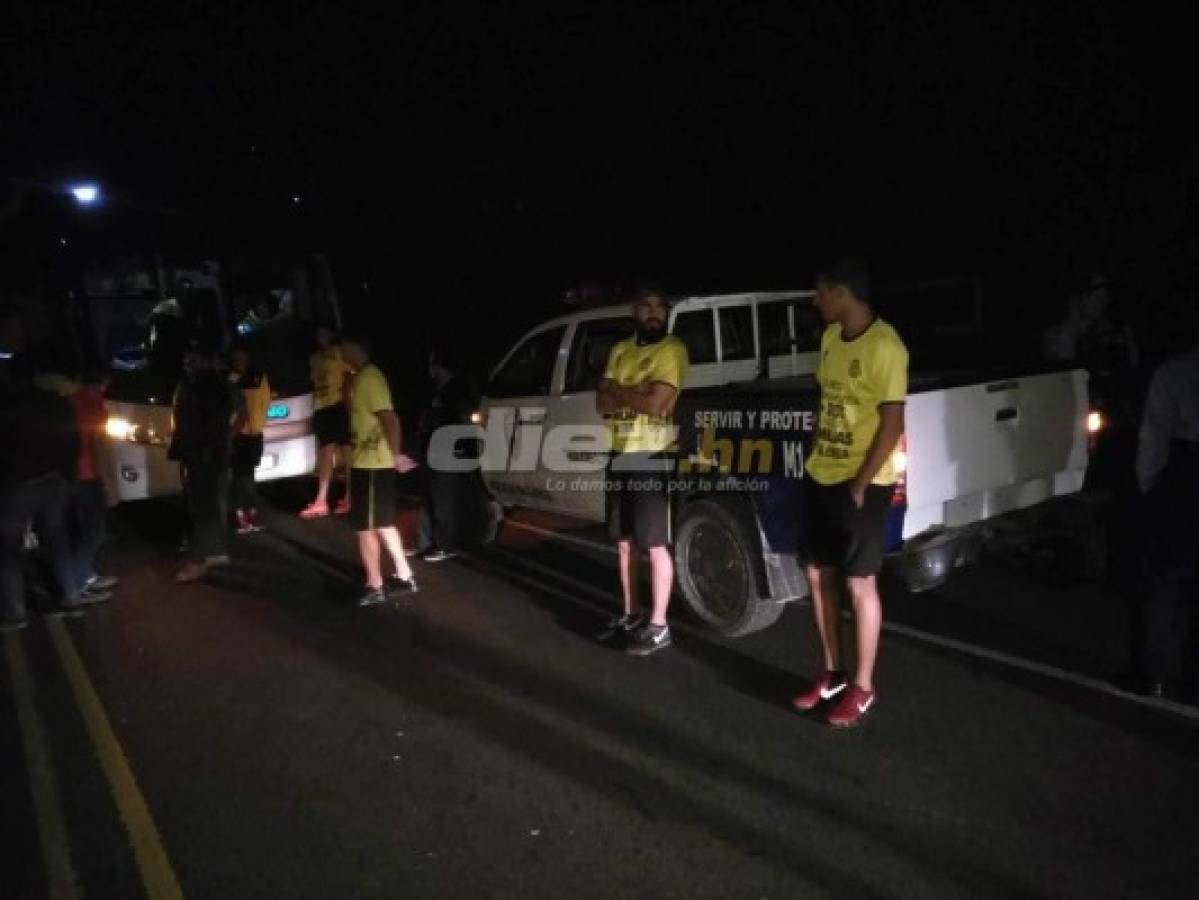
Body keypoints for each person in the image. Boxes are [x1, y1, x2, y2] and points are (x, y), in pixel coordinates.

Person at [791, 259, 908, 727]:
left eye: (821, 294)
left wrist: (860, 483)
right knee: (818, 574)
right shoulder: (829, 339)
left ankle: (863, 687)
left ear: (841, 293)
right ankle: (833, 673)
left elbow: (892, 424)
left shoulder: (886, 346)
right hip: (822, 472)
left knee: (860, 582)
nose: (816, 303)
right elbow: (828, 403)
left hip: (865, 481)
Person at [595, 288, 689, 655]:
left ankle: (659, 624)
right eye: (646, 307)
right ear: (635, 311)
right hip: (619, 452)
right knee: (622, 542)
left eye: (659, 308)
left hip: (653, 455)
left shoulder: (672, 350)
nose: (653, 313)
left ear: (666, 313)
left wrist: (619, 389)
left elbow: (655, 405)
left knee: (654, 544)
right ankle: (630, 613)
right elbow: (601, 404)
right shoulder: (620, 349)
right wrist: (630, 392)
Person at [0, 354, 102, 630]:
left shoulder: (7, 406)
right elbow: (72, 443)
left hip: (18, 486)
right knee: (57, 541)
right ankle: (70, 598)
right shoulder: (55, 403)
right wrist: (66, 477)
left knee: (8, 548)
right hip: (53, 482)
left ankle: (16, 612)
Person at [1131, 338, 1199, 698]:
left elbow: (1153, 435)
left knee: (1165, 580)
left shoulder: (1174, 372)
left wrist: (1150, 484)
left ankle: (1153, 674)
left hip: (1185, 472)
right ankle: (1190, 680)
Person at [341, 333, 419, 606]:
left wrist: (395, 455)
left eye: (342, 349)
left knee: (365, 528)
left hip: (373, 464)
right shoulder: (361, 377)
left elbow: (390, 419)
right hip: (369, 462)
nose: (340, 355)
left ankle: (375, 584)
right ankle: (405, 575)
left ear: (355, 347)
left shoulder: (370, 379)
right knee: (383, 524)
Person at [169, 342, 236, 583]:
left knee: (202, 508)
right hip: (199, 454)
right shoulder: (196, 385)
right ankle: (214, 552)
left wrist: (200, 451)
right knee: (204, 506)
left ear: (207, 361)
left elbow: (214, 425)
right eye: (186, 361)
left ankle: (201, 558)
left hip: (204, 456)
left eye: (193, 361)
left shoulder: (210, 387)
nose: (188, 365)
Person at [411, 344, 479, 562]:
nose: (429, 368)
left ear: (439, 365)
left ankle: (445, 544)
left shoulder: (458, 390)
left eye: (432, 362)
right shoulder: (435, 389)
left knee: (444, 501)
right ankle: (426, 543)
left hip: (448, 453)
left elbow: (461, 422)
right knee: (430, 499)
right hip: (432, 451)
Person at [65, 366, 120, 599]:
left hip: (67, 475)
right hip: (88, 475)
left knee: (77, 530)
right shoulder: (94, 404)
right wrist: (109, 483)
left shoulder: (68, 400)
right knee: (93, 531)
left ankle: (86, 575)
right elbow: (99, 445)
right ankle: (79, 584)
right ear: (104, 381)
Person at [301, 324, 352, 518]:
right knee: (324, 454)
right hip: (321, 408)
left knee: (348, 452)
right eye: (318, 333)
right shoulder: (314, 358)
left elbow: (348, 378)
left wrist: (349, 405)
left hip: (339, 405)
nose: (321, 336)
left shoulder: (339, 353)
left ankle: (351, 496)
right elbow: (314, 383)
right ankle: (321, 500)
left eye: (325, 332)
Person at [229, 345, 271, 534]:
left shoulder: (259, 377)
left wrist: (259, 424)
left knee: (248, 475)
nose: (240, 362)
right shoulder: (230, 379)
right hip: (238, 434)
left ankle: (250, 514)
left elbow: (265, 402)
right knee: (240, 478)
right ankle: (242, 516)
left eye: (242, 357)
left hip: (255, 434)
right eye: (236, 358)